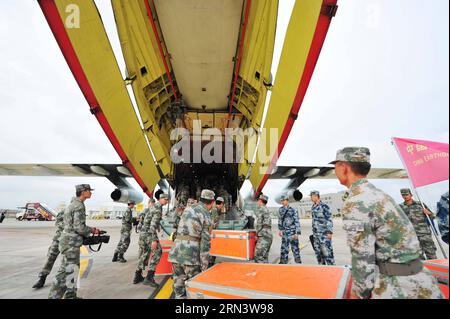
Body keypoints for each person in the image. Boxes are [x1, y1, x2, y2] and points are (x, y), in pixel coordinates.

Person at [331, 147, 443, 299]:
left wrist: (358, 293)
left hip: (398, 286)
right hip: (421, 280)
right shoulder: (379, 194)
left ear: (343, 167)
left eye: (335, 165)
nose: (334, 170)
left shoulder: (357, 202)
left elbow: (362, 257)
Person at [48, 184, 102, 299]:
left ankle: (71, 295)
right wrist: (92, 230)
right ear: (83, 192)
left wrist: (91, 230)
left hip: (69, 242)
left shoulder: (74, 204)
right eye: (89, 191)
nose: (91, 193)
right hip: (71, 244)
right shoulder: (79, 206)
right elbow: (79, 228)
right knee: (65, 273)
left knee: (72, 271)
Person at [168, 189, 214, 299]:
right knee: (194, 287)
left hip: (176, 252)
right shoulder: (205, 214)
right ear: (212, 202)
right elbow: (205, 242)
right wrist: (205, 266)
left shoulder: (189, 208)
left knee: (178, 284)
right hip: (190, 256)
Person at [33, 201, 70, 289]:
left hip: (68, 241)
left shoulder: (77, 213)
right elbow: (58, 221)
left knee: (66, 261)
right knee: (50, 257)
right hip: (58, 239)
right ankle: (42, 278)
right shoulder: (65, 211)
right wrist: (67, 227)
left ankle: (64, 282)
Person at [133, 194, 168, 286]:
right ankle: (149, 277)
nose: (167, 201)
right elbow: (153, 225)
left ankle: (137, 275)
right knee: (158, 252)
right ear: (161, 199)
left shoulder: (153, 207)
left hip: (143, 233)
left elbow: (145, 221)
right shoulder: (158, 209)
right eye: (166, 199)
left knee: (145, 254)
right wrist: (154, 240)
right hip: (149, 234)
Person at [399, 188, 437, 259]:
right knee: (418, 256)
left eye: (406, 194)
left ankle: (435, 269)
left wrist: (429, 213)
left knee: (431, 254)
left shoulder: (420, 204)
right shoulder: (400, 207)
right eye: (403, 195)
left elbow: (433, 216)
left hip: (424, 234)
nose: (405, 196)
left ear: (411, 194)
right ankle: (424, 270)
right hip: (412, 236)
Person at [310, 191, 335, 265]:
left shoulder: (324, 206)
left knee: (327, 253)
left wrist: (329, 232)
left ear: (316, 196)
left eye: (311, 196)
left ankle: (332, 269)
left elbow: (329, 219)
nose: (311, 198)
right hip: (316, 235)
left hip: (324, 234)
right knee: (318, 254)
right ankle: (322, 269)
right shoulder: (313, 207)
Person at [278, 195, 302, 264]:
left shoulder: (293, 209)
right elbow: (280, 221)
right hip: (285, 233)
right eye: (281, 201)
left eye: (283, 200)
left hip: (292, 233)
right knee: (284, 249)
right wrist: (280, 230)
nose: (282, 202)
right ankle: (283, 263)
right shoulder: (280, 210)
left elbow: (296, 221)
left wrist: (297, 233)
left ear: (287, 200)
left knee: (295, 249)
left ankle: (298, 263)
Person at [254, 195, 273, 263]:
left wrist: (257, 234)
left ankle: (260, 272)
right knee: (264, 256)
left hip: (263, 234)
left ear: (260, 201)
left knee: (257, 256)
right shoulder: (267, 209)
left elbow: (259, 223)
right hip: (269, 234)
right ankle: (266, 271)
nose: (258, 202)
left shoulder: (261, 209)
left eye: (258, 200)